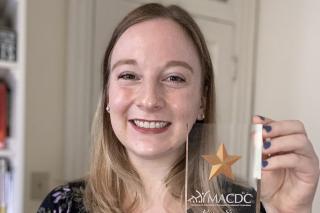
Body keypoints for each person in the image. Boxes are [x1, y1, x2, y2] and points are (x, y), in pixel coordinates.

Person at [37, 3, 319, 213]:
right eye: (128, 75)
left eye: (174, 78)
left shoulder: (241, 207)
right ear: (108, 95)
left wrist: (292, 212)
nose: (149, 100)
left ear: (202, 101)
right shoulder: (62, 206)